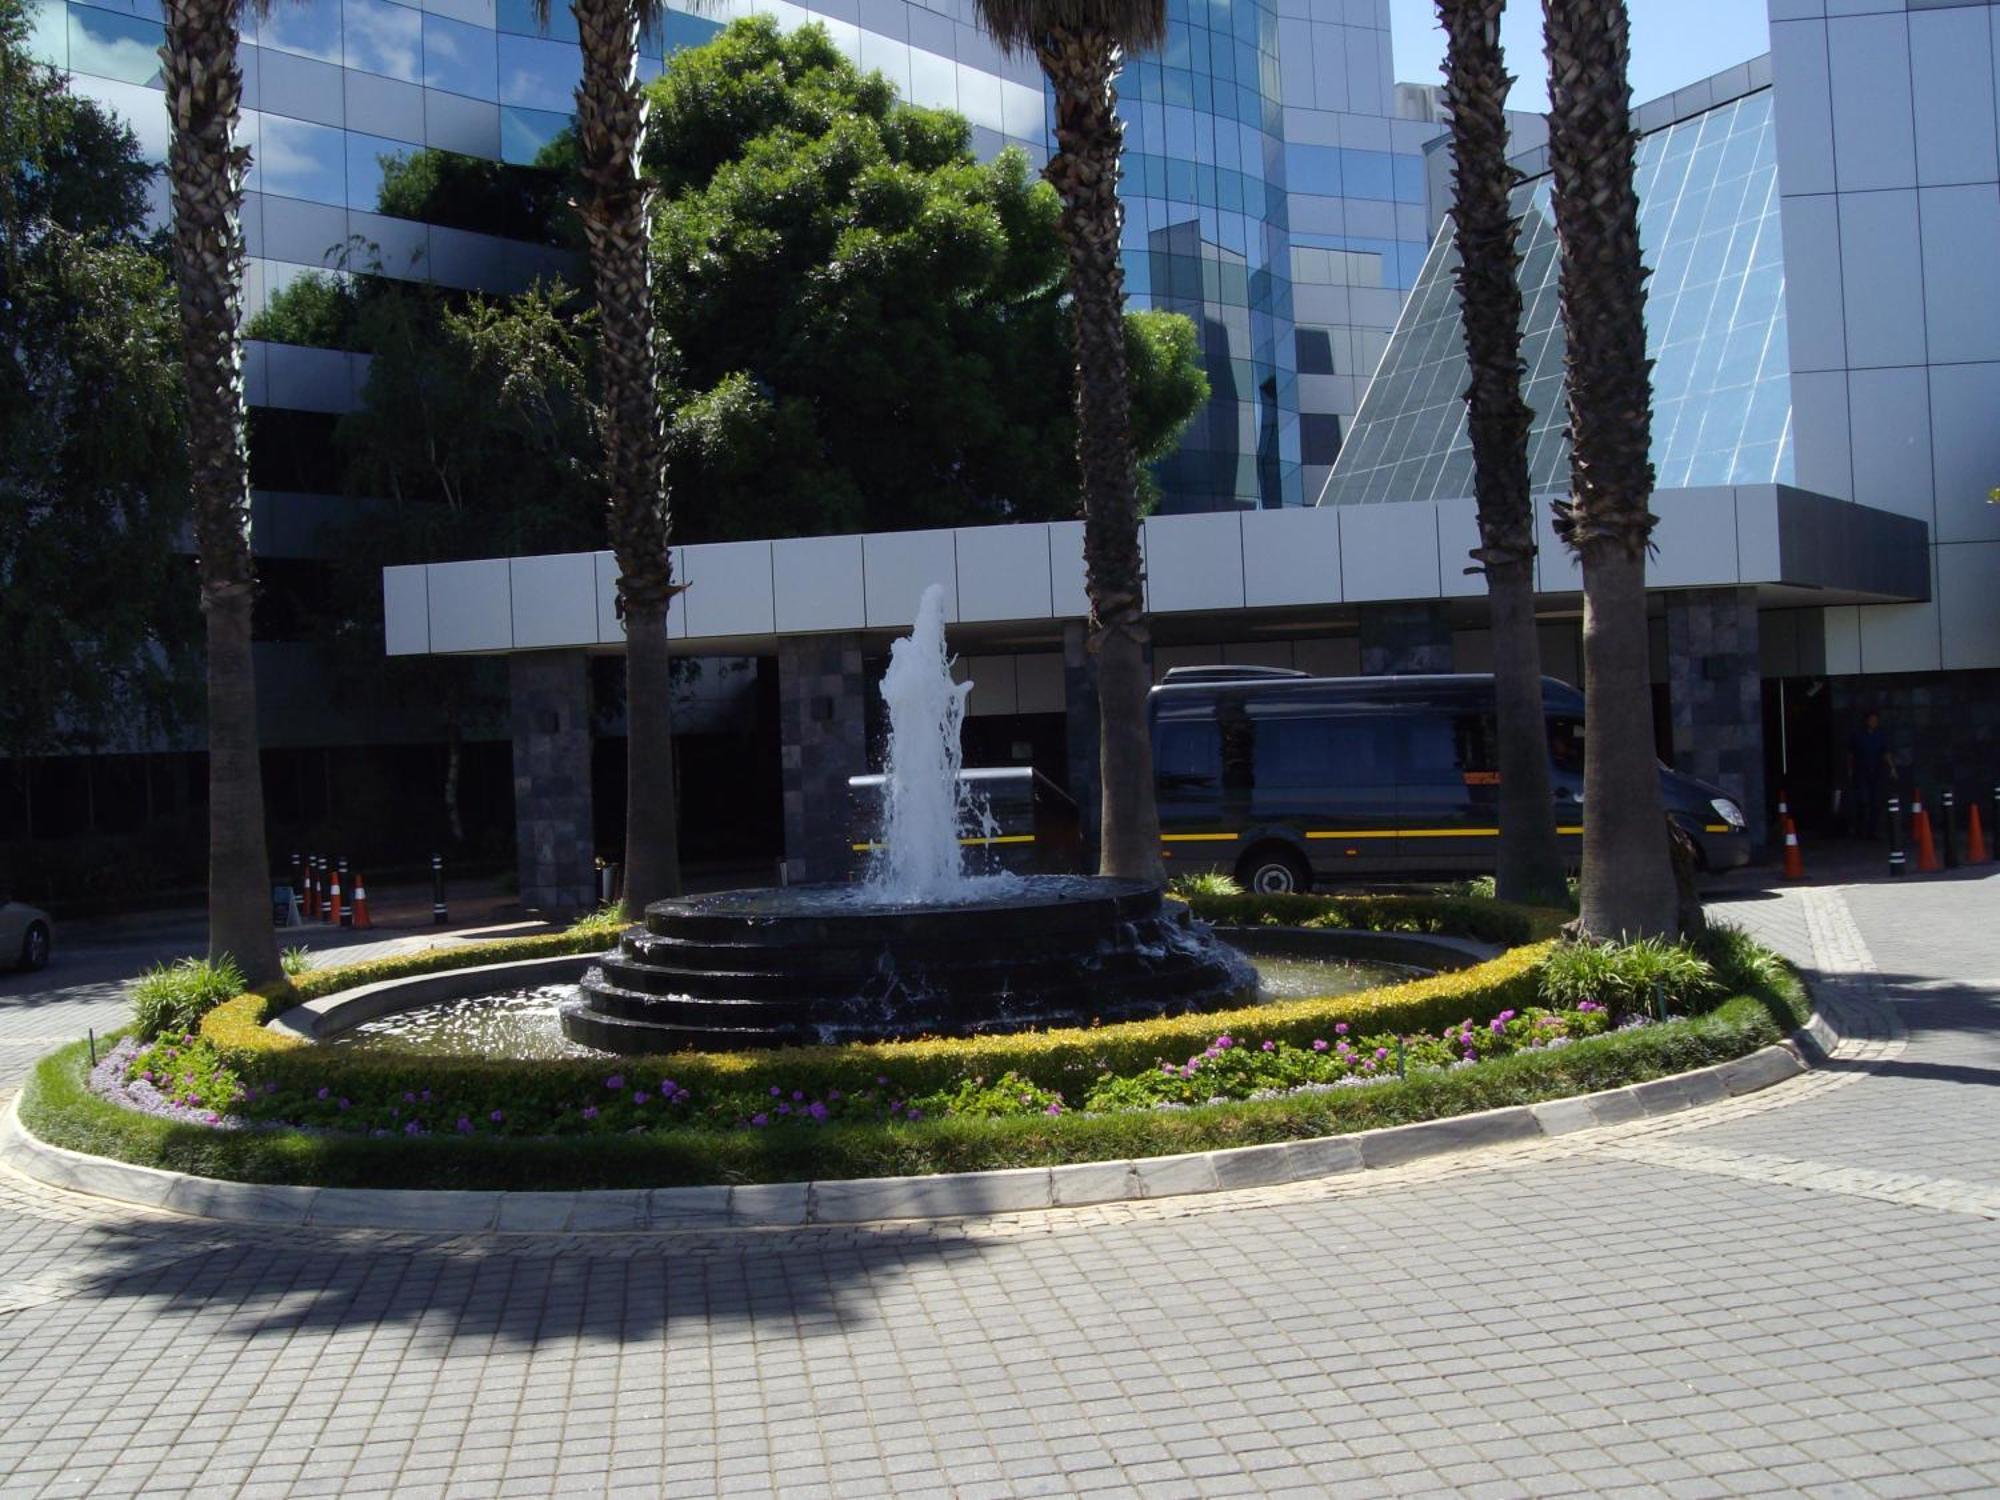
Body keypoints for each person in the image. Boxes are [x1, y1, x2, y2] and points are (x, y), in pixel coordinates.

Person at [1847, 709, 1896, 840]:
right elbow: (1851, 754)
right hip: (1861, 771)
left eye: (1875, 720)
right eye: (1871, 720)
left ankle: (1871, 831)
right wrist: (1850, 770)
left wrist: (1892, 768)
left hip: (1876, 772)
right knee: (1862, 801)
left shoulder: (1880, 736)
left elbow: (1886, 752)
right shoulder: (1857, 735)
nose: (1873, 722)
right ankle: (1860, 830)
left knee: (1876, 802)